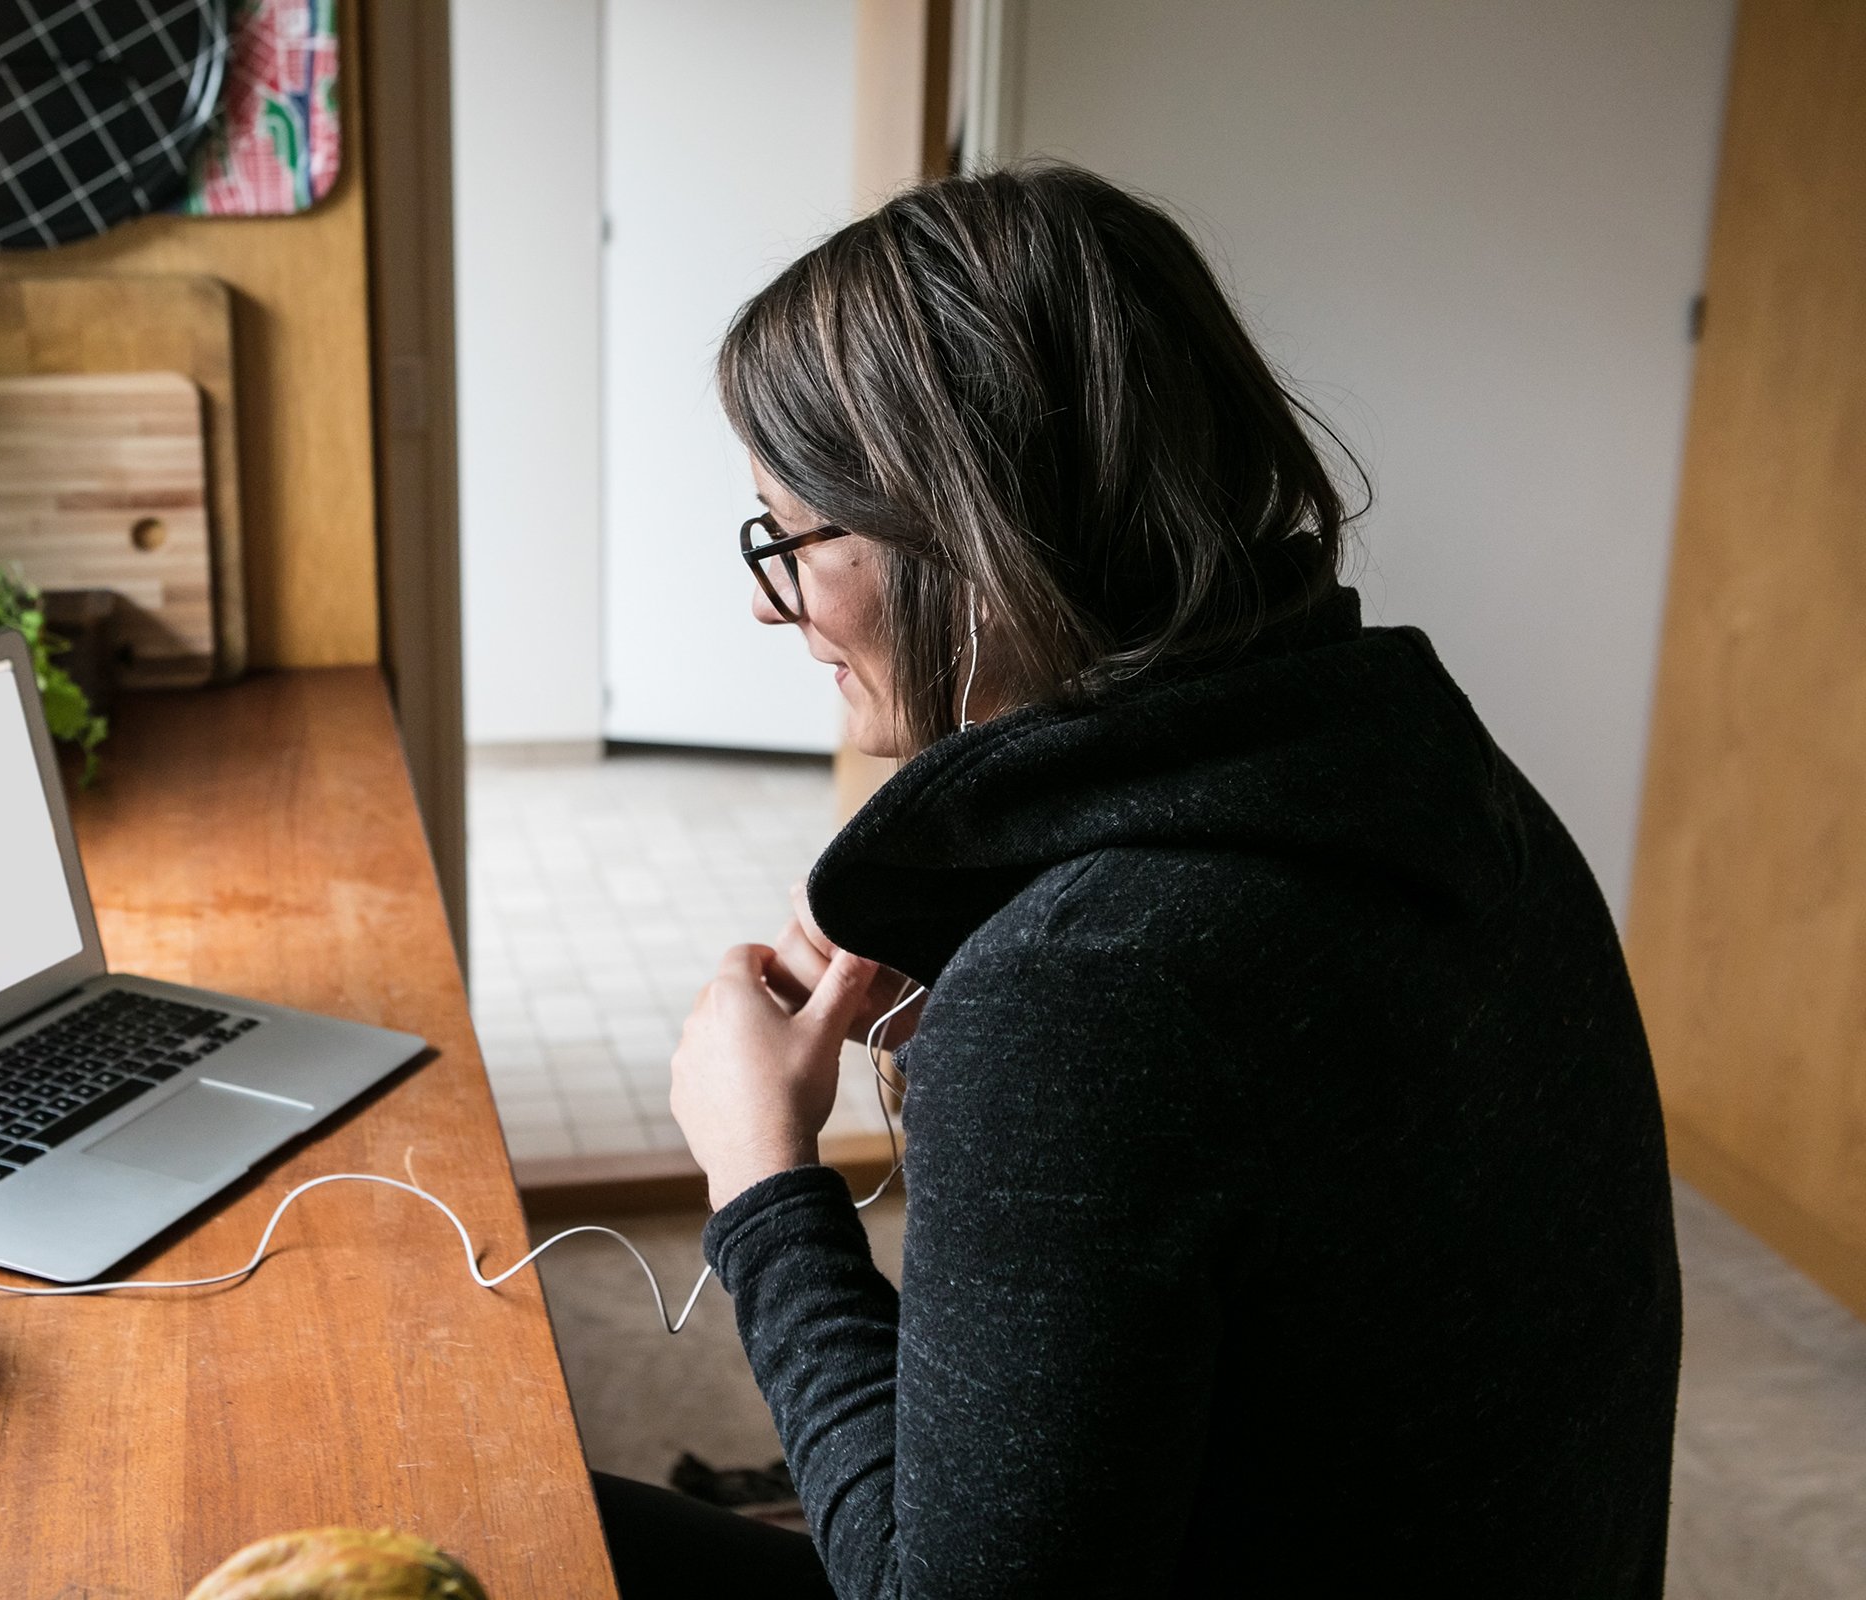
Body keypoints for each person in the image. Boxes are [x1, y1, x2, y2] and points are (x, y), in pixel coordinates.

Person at [607, 164, 1680, 1597]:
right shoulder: (1433, 778)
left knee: (512, 1521)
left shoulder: (1088, 991)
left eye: (792, 539)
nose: (766, 597)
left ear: (964, 537)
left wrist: (761, 1179)